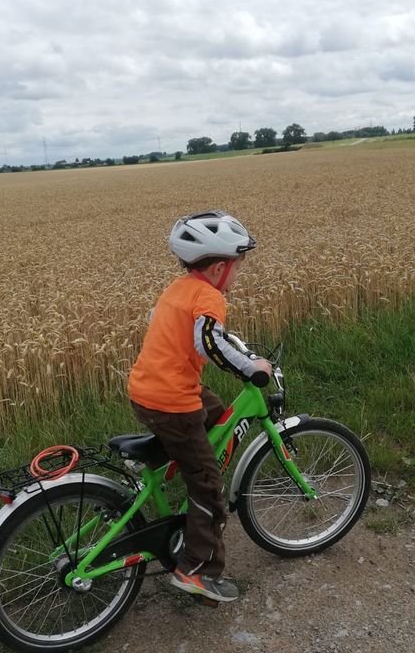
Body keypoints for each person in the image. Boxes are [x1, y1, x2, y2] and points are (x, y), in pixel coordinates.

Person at [127, 210, 272, 602]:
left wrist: (231, 343)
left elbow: (173, 325)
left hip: (147, 392)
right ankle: (197, 572)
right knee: (208, 488)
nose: (238, 274)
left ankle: (165, 459)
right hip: (173, 402)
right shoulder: (209, 295)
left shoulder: (179, 288)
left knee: (215, 410)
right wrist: (250, 369)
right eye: (238, 266)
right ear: (220, 268)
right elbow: (208, 339)